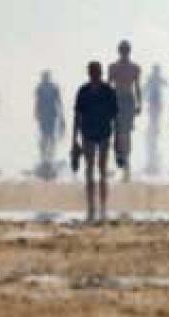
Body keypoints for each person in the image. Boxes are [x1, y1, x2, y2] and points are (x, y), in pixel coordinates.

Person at [72, 61, 118, 222]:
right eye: (92, 72)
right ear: (89, 73)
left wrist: (118, 138)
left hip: (104, 132)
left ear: (100, 72)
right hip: (88, 133)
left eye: (96, 72)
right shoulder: (83, 91)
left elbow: (115, 116)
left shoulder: (108, 91)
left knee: (102, 170)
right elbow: (77, 116)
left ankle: (103, 206)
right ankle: (91, 206)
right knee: (90, 169)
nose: (94, 74)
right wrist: (74, 141)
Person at [108, 40, 142, 182]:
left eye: (126, 50)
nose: (124, 52)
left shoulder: (134, 68)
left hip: (128, 100)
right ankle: (121, 158)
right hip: (116, 99)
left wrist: (139, 103)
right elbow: (109, 84)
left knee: (125, 133)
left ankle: (126, 161)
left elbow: (137, 86)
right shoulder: (113, 67)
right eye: (123, 50)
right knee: (118, 132)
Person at [34, 70, 65, 177]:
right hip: (47, 115)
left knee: (47, 136)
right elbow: (38, 102)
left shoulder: (47, 88)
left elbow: (58, 102)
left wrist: (61, 117)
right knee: (47, 136)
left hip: (49, 115)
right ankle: (46, 157)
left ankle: (47, 157)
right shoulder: (42, 88)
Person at [143, 64, 167, 176]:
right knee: (154, 119)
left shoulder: (153, 78)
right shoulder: (154, 78)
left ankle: (154, 129)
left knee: (154, 119)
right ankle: (154, 129)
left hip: (155, 103)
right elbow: (145, 89)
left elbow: (145, 89)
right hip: (154, 103)